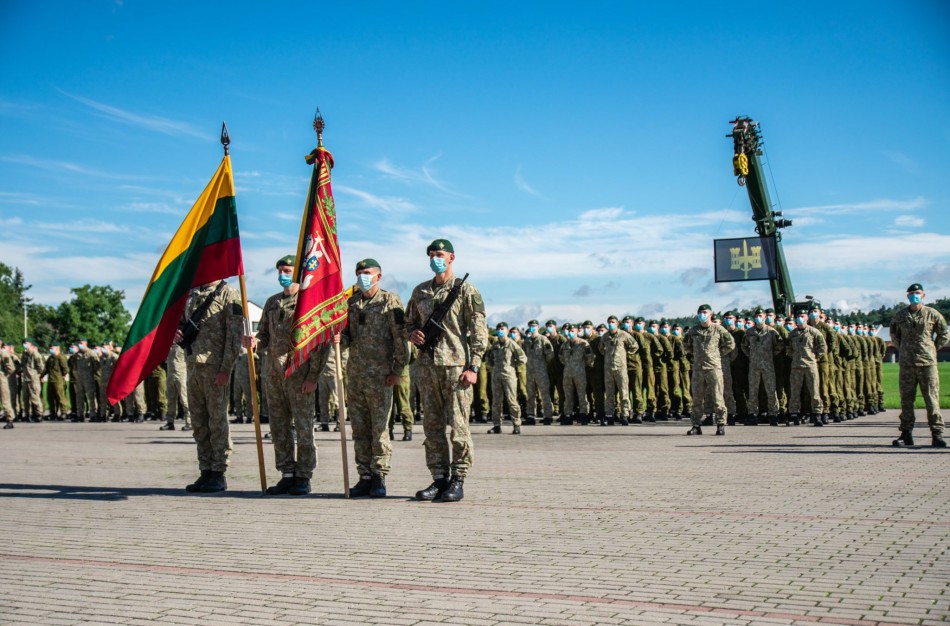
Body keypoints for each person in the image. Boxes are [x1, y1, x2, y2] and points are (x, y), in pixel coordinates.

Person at [406, 238, 488, 503]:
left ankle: (458, 479)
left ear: (451, 257)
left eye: (440, 254)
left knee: (459, 427)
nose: (435, 259)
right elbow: (408, 322)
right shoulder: (420, 291)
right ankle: (439, 478)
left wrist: (473, 366)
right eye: (431, 254)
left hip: (456, 369)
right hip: (427, 368)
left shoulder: (466, 290)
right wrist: (412, 334)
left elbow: (479, 331)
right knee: (432, 427)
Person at [246, 255, 323, 496]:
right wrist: (255, 342)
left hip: (299, 374)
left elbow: (318, 343)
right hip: (273, 374)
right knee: (279, 426)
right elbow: (265, 335)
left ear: (298, 273)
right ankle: (287, 473)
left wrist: (313, 377)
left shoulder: (308, 301)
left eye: (287, 270)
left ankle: (304, 475)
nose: (282, 274)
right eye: (280, 270)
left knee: (303, 427)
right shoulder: (272, 302)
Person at [340, 258, 409, 498]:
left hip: (381, 376)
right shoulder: (351, 303)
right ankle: (365, 476)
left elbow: (400, 339)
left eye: (367, 272)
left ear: (378, 276)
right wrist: (339, 339)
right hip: (356, 375)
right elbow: (347, 336)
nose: (362, 276)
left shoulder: (390, 301)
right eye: (359, 272)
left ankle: (379, 475)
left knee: (379, 428)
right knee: (359, 429)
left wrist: (397, 370)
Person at [178, 277, 243, 493]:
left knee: (217, 422)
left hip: (215, 368)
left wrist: (226, 369)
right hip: (192, 365)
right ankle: (205, 470)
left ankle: (218, 472)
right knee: (199, 422)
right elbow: (180, 323)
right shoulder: (191, 293)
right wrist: (178, 332)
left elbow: (234, 336)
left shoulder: (228, 293)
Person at [890, 283, 949, 447]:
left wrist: (932, 348)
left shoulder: (932, 314)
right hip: (907, 363)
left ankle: (937, 434)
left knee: (931, 399)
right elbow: (894, 335)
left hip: (927, 363)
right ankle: (906, 433)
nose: (914, 295)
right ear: (907, 296)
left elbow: (944, 334)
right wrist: (903, 348)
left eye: (917, 292)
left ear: (923, 295)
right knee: (906, 400)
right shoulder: (900, 316)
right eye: (911, 293)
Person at [683, 304, 735, 436]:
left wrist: (718, 354)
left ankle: (720, 424)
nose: (703, 314)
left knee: (718, 397)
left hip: (713, 367)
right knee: (697, 399)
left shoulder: (718, 329)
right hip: (698, 368)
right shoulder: (693, 331)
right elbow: (686, 345)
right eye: (700, 312)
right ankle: (696, 425)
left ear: (710, 314)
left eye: (705, 312)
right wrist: (693, 355)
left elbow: (730, 344)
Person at [484, 321, 527, 434]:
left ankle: (516, 424)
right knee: (496, 402)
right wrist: (492, 367)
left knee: (512, 401)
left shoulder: (512, 344)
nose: (500, 331)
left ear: (507, 331)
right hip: (496, 376)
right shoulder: (495, 346)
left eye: (502, 329)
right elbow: (488, 359)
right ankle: (497, 425)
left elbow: (523, 359)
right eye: (498, 329)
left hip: (509, 376)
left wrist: (512, 366)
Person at [742, 308, 783, 425]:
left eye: (760, 316)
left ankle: (773, 414)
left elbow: (780, 344)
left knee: (771, 390)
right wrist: (751, 355)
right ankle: (752, 414)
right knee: (753, 391)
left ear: (765, 317)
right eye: (756, 316)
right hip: (754, 366)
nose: (758, 318)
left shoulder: (771, 332)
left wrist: (771, 354)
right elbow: (743, 345)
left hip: (768, 365)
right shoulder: (749, 332)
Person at [786, 308, 827, 426]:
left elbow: (822, 347)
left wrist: (815, 357)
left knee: (814, 391)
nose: (800, 318)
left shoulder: (814, 332)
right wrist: (794, 356)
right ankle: (794, 415)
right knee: (795, 392)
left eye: (803, 316)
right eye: (799, 316)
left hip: (810, 365)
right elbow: (788, 348)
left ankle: (817, 414)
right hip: (796, 366)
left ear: (807, 318)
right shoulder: (792, 334)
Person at [599, 315, 639, 426]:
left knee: (624, 392)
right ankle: (610, 415)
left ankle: (625, 415)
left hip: (621, 368)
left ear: (617, 323)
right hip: (608, 368)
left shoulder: (623, 335)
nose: (611, 324)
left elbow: (635, 346)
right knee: (609, 393)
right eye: (609, 322)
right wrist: (607, 356)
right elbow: (601, 348)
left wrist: (625, 354)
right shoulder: (605, 336)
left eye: (613, 322)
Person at [559, 323, 594, 425]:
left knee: (582, 394)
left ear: (577, 332)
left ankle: (583, 414)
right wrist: (568, 365)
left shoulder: (583, 343)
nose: (570, 333)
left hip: (580, 373)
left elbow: (590, 357)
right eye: (569, 331)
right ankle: (568, 415)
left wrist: (582, 365)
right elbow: (561, 357)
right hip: (567, 373)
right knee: (568, 395)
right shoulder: (564, 345)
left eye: (572, 331)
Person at [522, 319, 554, 425]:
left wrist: (543, 365)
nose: (532, 328)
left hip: (541, 372)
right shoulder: (526, 341)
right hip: (530, 372)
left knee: (545, 394)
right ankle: (530, 415)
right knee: (530, 394)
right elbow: (523, 355)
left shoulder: (543, 339)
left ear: (538, 327)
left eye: (534, 326)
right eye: (531, 326)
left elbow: (550, 354)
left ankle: (548, 416)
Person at [161, 342, 192, 431]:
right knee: (170, 400)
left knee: (184, 400)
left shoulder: (184, 345)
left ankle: (189, 422)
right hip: (170, 375)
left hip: (181, 375)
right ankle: (170, 422)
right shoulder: (168, 346)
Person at [20, 338, 45, 422]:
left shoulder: (35, 354)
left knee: (35, 397)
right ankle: (27, 414)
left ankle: (39, 414)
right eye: (24, 343)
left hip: (33, 379)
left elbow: (40, 366)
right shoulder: (24, 354)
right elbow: (22, 365)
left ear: (30, 344)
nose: (24, 344)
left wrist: (38, 374)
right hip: (26, 378)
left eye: (26, 343)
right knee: (25, 398)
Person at [44, 342, 70, 420]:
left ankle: (63, 412)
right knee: (50, 398)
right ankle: (52, 413)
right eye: (50, 348)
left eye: (52, 348)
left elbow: (65, 369)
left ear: (57, 348)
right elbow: (46, 369)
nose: (50, 349)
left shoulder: (61, 357)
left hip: (58, 381)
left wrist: (62, 376)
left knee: (60, 397)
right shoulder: (50, 358)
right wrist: (41, 376)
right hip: (51, 380)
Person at [1, 341, 15, 429]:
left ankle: (10, 420)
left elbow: (11, 367)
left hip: (1, 379)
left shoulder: (3, 353)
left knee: (5, 400)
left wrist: (6, 374)